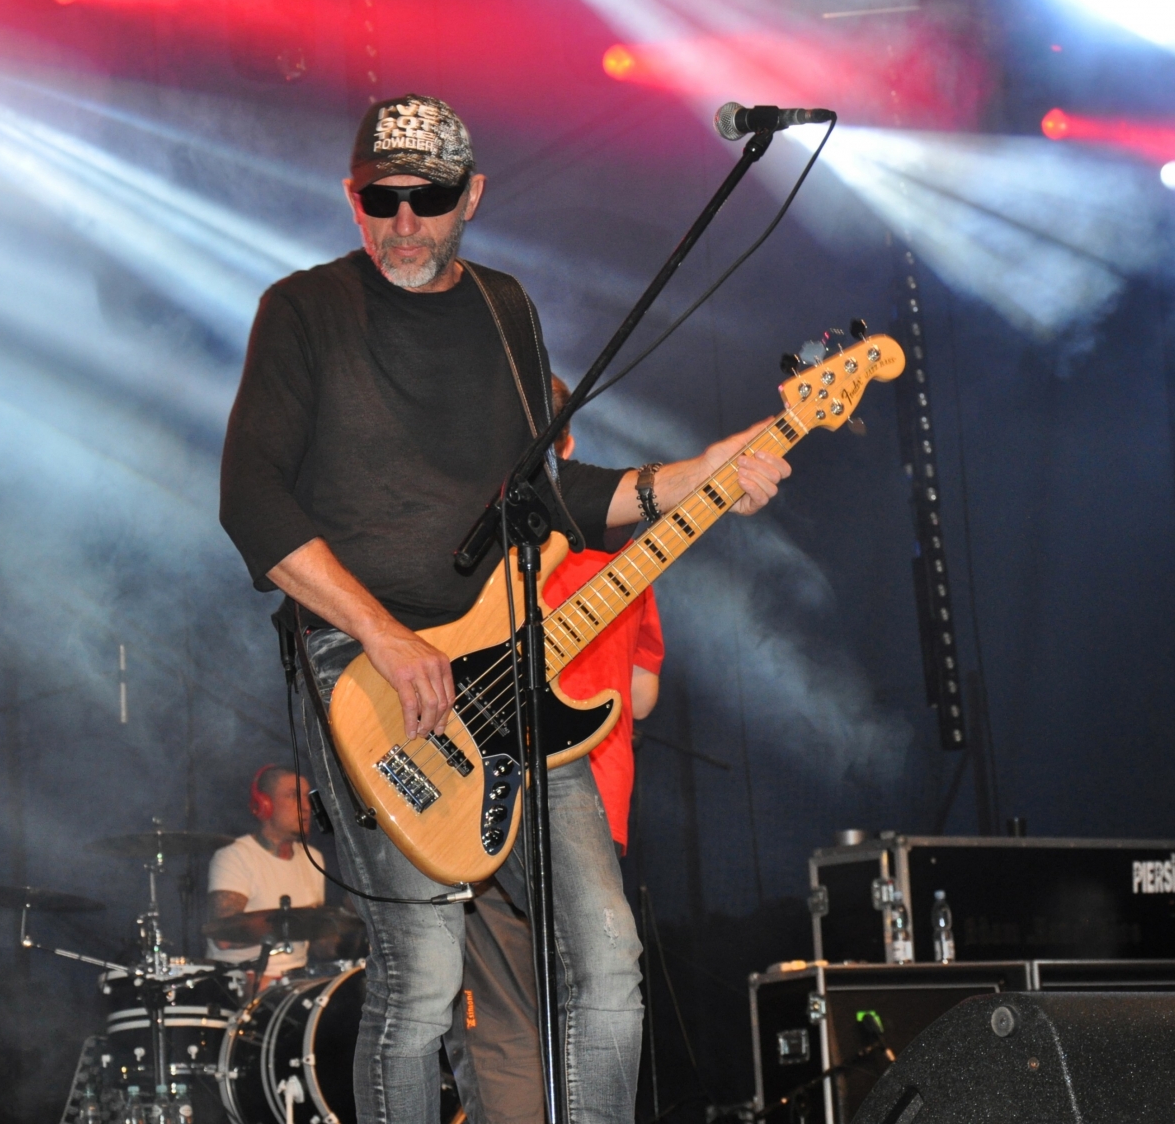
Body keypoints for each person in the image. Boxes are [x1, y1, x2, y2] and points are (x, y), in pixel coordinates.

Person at [218, 92, 790, 1124]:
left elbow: (552, 496)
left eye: (428, 199)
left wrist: (698, 473)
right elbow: (251, 500)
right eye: (379, 200)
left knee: (607, 953)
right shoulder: (302, 309)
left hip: (512, 672)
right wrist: (387, 636)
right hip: (368, 671)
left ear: (472, 196)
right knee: (423, 977)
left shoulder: (505, 310)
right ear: (351, 196)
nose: (402, 222)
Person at [446, 376, 664, 1124]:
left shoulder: (479, 552)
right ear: (567, 447)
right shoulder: (620, 557)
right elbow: (641, 696)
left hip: (481, 798)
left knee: (504, 1025)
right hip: (597, 809)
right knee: (598, 994)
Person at [206, 764, 328, 982]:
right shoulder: (235, 857)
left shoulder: (314, 858)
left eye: (307, 797)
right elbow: (223, 938)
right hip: (241, 981)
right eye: (293, 796)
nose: (306, 807)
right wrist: (288, 927)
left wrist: (353, 923)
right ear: (264, 805)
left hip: (297, 982)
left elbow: (318, 941)